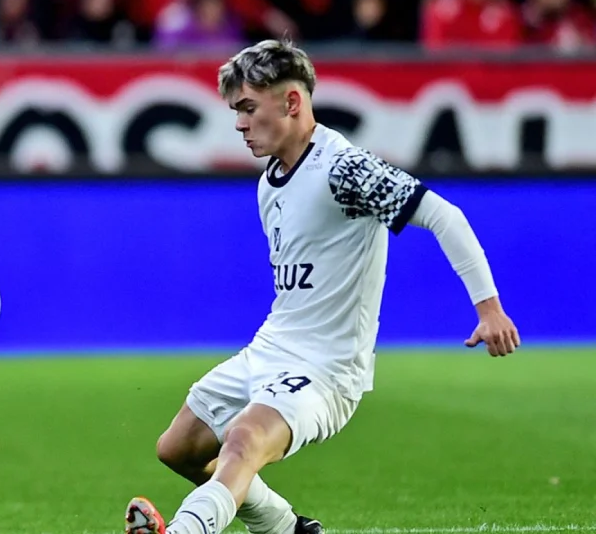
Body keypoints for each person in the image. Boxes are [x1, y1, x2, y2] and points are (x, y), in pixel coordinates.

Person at [123, 39, 520, 534]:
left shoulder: (344, 168)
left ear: (292, 102)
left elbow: (445, 216)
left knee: (243, 439)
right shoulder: (270, 180)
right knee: (177, 449)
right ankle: (286, 528)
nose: (239, 124)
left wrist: (489, 309)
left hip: (327, 369)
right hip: (270, 349)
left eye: (248, 108)